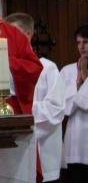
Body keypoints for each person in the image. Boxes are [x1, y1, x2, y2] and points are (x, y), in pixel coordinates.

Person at [5, 12, 64, 183]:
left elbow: (55, 108)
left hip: (43, 153)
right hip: (13, 154)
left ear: (27, 34)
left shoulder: (47, 68)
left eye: (13, 33)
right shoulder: (4, 69)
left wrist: (19, 110)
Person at [59, 24, 88, 182]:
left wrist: (86, 78)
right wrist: (77, 84)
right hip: (73, 143)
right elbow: (62, 107)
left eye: (85, 42)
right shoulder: (67, 71)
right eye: (78, 43)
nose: (82, 47)